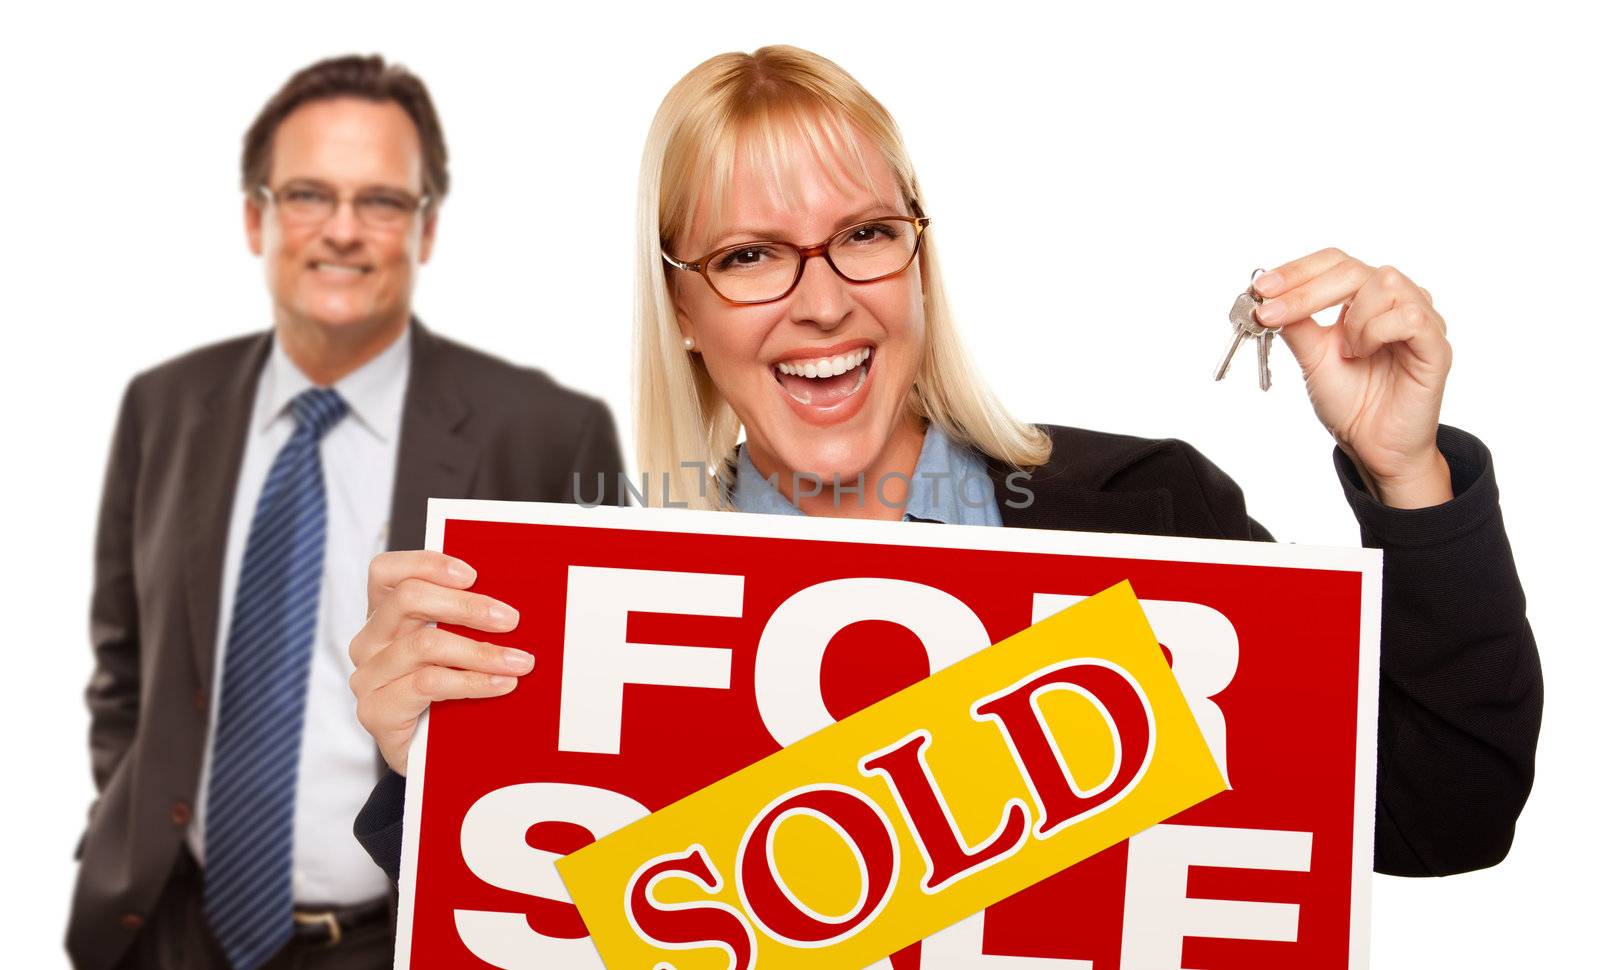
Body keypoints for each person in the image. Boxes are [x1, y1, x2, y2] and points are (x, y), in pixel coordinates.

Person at [347, 44, 1539, 897]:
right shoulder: (579, 613)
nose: (822, 302)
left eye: (865, 235)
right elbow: (543, 924)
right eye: (751, 254)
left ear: (918, 259)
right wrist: (426, 766)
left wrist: (1404, 471)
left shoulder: (1150, 517)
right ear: (684, 307)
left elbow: (1445, 812)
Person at [68, 54, 624, 970]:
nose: (342, 232)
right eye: (308, 195)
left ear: (426, 229)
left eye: (381, 201)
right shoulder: (161, 405)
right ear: (257, 215)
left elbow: (589, 732)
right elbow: (123, 666)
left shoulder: (548, 433)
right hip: (170, 930)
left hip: (400, 935)